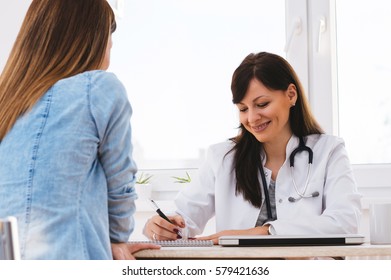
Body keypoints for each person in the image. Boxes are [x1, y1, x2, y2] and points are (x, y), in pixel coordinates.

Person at [144, 52, 362, 244]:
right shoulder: (222, 158)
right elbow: (184, 218)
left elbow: (344, 222)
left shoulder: (329, 151)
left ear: (291, 95)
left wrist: (263, 232)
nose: (252, 118)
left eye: (262, 104)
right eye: (243, 108)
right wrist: (161, 227)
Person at [0, 0, 159, 259]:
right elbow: (120, 182)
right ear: (90, 38)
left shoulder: (7, 99)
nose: (110, 45)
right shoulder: (99, 88)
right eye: (109, 35)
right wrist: (116, 239)